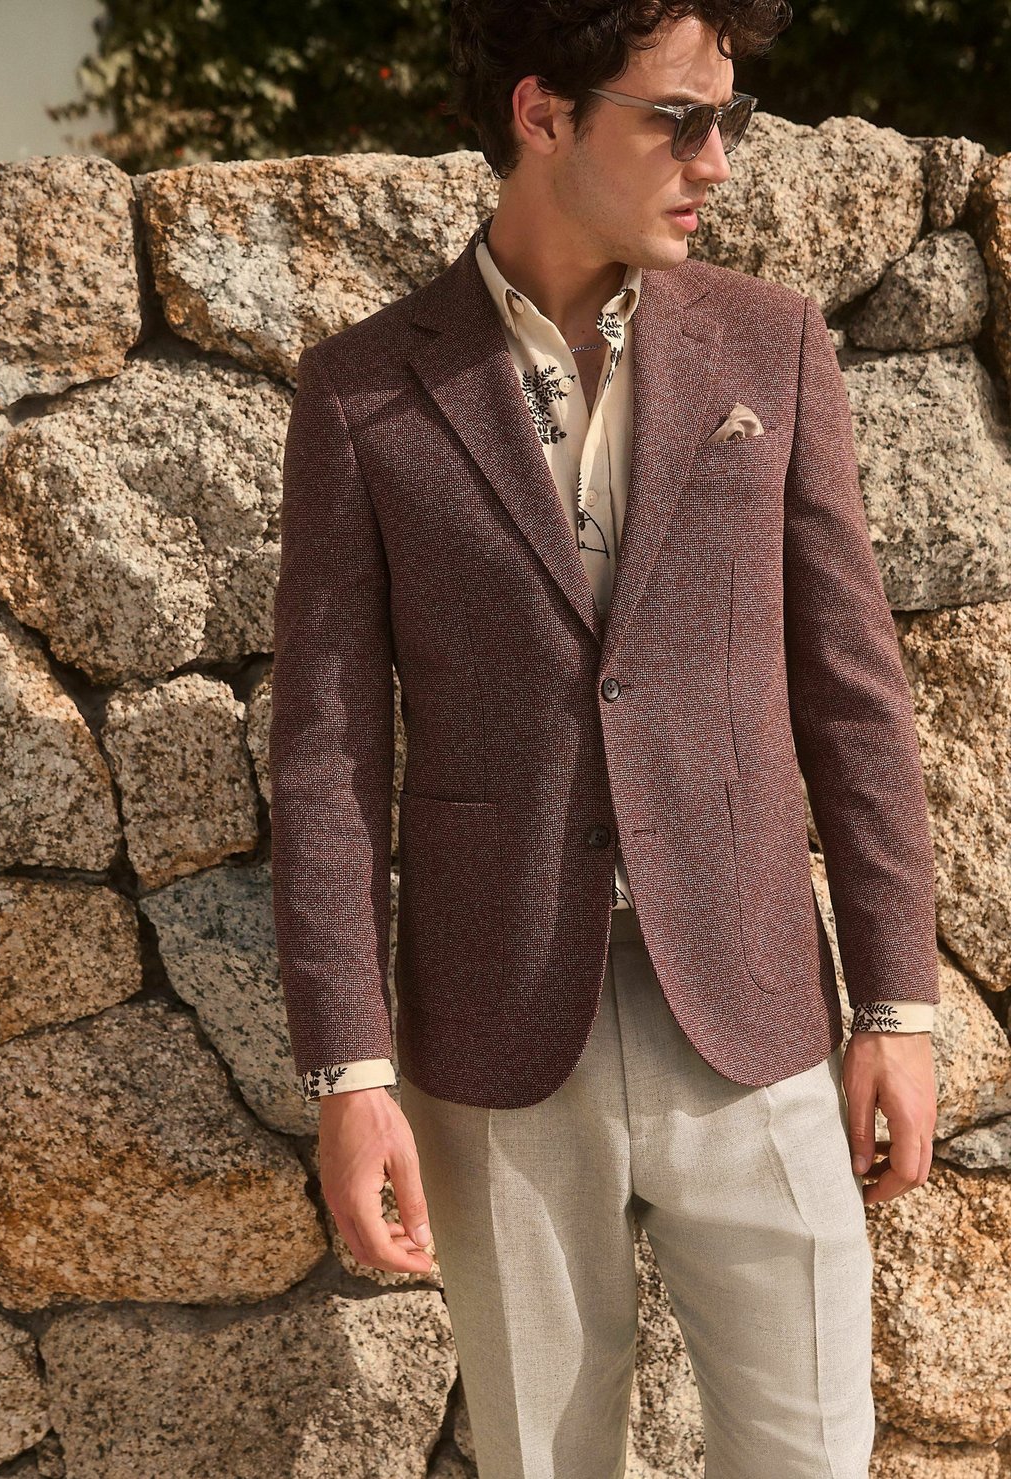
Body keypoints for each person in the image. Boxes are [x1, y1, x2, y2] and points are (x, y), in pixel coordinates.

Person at [268, 3, 941, 1474]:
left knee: (814, 1453)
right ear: (543, 113)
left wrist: (898, 1002)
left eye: (727, 119)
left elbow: (851, 688)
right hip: (502, 1032)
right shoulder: (365, 391)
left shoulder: (772, 344)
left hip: (753, 1016)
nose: (717, 159)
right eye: (677, 119)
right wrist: (350, 1072)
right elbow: (324, 752)